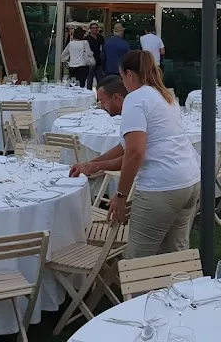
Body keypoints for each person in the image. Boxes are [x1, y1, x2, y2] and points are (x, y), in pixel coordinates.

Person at [75, 50, 199, 258]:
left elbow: (134, 154)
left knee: (138, 261)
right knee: (175, 256)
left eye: (122, 76)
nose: (123, 82)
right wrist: (92, 164)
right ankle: (180, 289)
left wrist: (121, 195)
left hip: (161, 186)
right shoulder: (165, 96)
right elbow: (126, 147)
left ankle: (138, 292)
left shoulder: (135, 99)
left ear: (130, 75)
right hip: (189, 181)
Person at [84, 21, 105, 89]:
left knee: (100, 81)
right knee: (89, 81)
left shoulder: (100, 38)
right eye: (93, 28)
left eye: (96, 28)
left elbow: (102, 48)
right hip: (90, 62)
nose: (95, 29)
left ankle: (100, 97)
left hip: (98, 61)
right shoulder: (87, 39)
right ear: (90, 29)